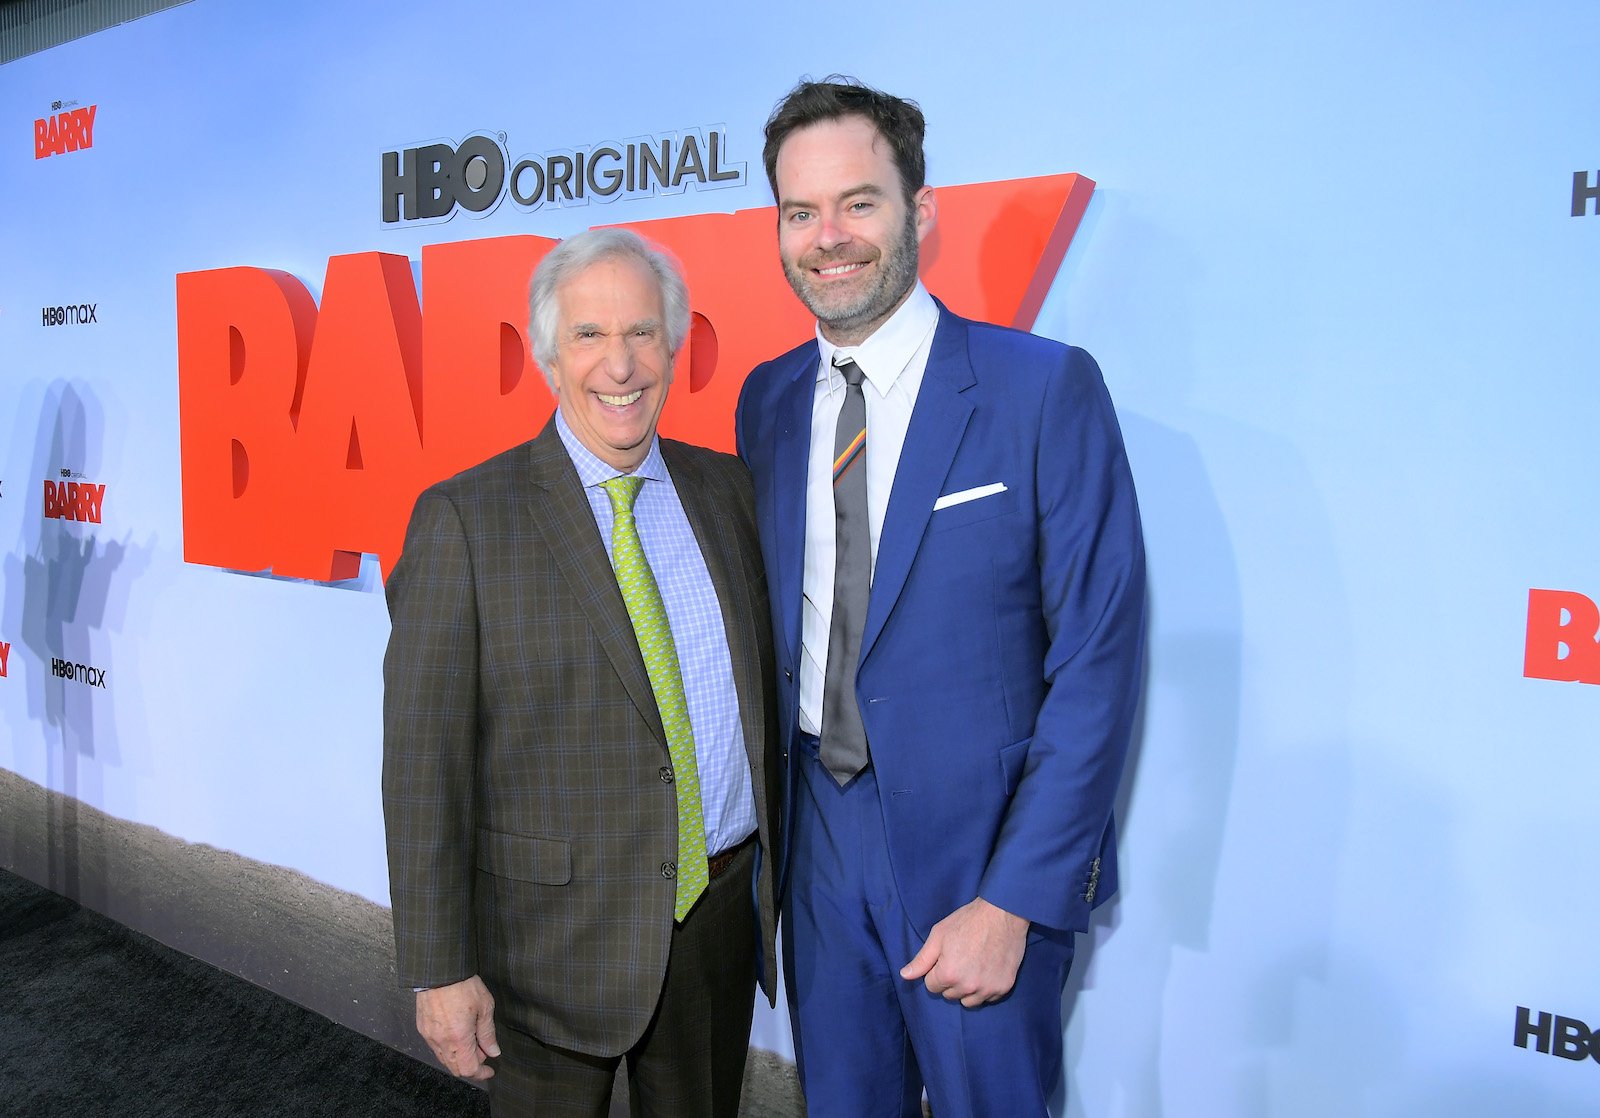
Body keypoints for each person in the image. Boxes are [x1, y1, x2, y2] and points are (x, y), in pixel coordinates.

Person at [734, 78, 1146, 1116]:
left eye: (858, 202)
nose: (828, 236)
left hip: (979, 863)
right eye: (800, 211)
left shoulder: (1040, 389)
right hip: (817, 847)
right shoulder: (769, 400)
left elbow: (1097, 660)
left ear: (918, 211)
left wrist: (1015, 896)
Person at [383, 227, 780, 1117]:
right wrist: (440, 969)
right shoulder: (464, 521)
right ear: (547, 358)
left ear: (674, 345)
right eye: (590, 336)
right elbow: (422, 771)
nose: (620, 365)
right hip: (542, 954)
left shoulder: (732, 495)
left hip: (712, 928)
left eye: (641, 332)